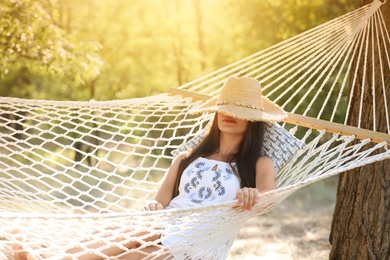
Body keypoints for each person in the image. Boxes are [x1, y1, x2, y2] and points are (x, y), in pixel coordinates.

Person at [10, 76, 287, 260]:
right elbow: (159, 203)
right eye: (225, 107)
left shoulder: (258, 164)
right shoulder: (187, 158)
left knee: (137, 248)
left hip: (202, 239)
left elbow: (267, 200)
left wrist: (253, 197)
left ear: (253, 121)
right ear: (215, 113)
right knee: (128, 235)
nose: (230, 114)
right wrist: (153, 210)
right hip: (165, 226)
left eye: (241, 110)